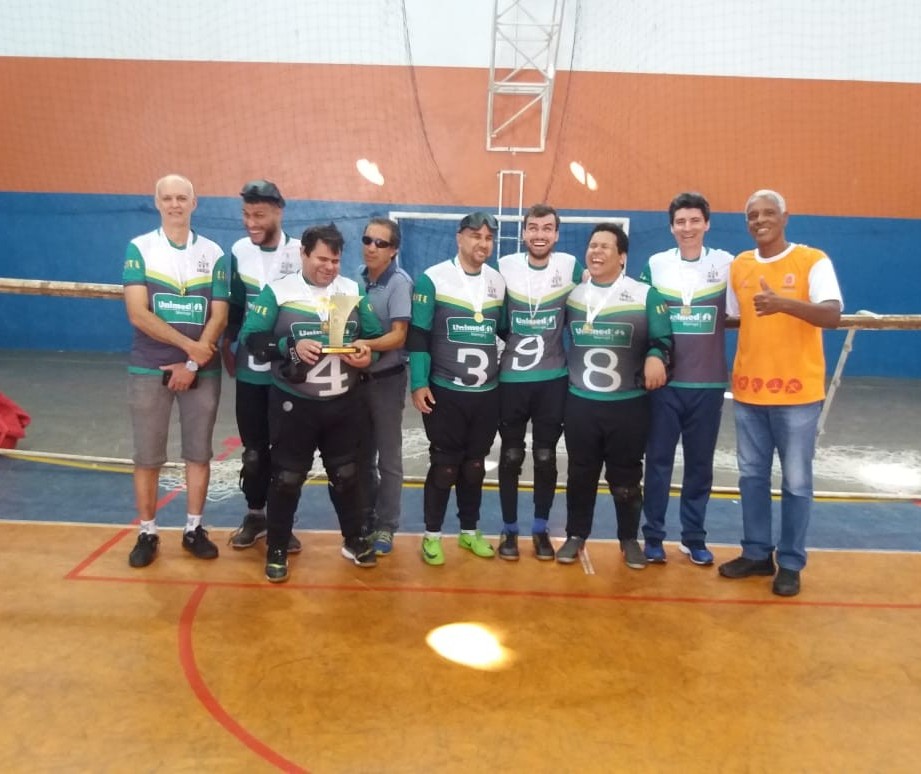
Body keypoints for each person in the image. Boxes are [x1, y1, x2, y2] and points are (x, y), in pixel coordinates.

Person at [239, 223, 383, 583]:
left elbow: (374, 338)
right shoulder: (279, 291)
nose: (329, 267)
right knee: (287, 478)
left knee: (347, 474)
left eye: (335, 260)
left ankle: (353, 541)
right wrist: (290, 346)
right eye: (321, 258)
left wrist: (369, 356)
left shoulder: (351, 289)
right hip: (295, 403)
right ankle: (276, 547)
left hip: (343, 403)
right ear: (302, 254)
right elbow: (249, 338)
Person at [718, 190, 843, 597]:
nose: (760, 220)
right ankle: (757, 553)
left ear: (786, 217)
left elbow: (832, 314)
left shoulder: (812, 260)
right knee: (751, 478)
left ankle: (790, 562)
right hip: (750, 392)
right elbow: (734, 316)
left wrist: (783, 304)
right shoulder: (740, 265)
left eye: (768, 213)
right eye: (753, 215)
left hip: (797, 395)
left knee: (796, 483)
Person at [123, 173, 229, 568]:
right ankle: (147, 532)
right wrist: (189, 349)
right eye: (167, 198)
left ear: (194, 202)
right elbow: (137, 313)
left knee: (198, 453)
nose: (174, 204)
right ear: (157, 203)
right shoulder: (139, 249)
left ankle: (194, 528)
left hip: (202, 371)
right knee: (147, 457)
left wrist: (191, 363)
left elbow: (219, 314)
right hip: (150, 367)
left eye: (181, 198)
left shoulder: (215, 252)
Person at [558, 223, 672, 570]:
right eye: (592, 245)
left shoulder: (645, 295)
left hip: (628, 405)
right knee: (580, 474)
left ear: (622, 257)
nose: (596, 252)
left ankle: (628, 539)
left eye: (606, 247)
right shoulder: (573, 296)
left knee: (625, 479)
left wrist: (656, 356)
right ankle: (576, 535)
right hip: (581, 403)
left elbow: (664, 339)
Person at [639, 192, 734, 566]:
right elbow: (644, 315)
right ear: (671, 226)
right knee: (658, 461)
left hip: (708, 384)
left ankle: (693, 537)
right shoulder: (656, 264)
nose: (688, 228)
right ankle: (654, 537)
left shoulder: (727, 264)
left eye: (695, 221)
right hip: (665, 385)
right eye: (681, 221)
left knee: (700, 465)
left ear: (707, 224)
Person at [408, 211, 506, 566]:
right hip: (445, 391)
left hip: (486, 394)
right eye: (476, 236)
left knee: (474, 465)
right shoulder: (433, 279)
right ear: (459, 237)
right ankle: (432, 535)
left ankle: (469, 531)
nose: (483, 244)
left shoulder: (498, 282)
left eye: (488, 238)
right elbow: (417, 334)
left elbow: (506, 330)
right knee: (446, 466)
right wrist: (418, 382)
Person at [496, 203, 583, 560]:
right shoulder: (505, 268)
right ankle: (509, 530)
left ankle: (540, 529)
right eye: (533, 228)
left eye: (547, 228)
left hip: (553, 379)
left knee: (546, 457)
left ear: (557, 234)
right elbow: (497, 318)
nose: (540, 235)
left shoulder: (570, 267)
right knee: (512, 454)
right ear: (523, 232)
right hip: (513, 379)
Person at [222, 180, 303, 554]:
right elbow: (236, 305)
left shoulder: (300, 252)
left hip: (288, 374)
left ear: (278, 212)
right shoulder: (239, 251)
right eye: (246, 214)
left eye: (259, 215)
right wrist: (226, 343)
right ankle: (255, 515)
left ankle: (283, 524)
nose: (251, 222)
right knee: (254, 453)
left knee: (287, 453)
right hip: (251, 372)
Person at [353, 218, 413, 556]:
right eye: (368, 240)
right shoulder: (358, 279)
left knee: (388, 457)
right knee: (363, 455)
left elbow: (398, 335)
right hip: (357, 382)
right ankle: (366, 515)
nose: (372, 247)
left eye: (381, 243)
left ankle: (387, 524)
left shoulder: (399, 283)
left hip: (387, 382)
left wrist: (364, 343)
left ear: (393, 250)